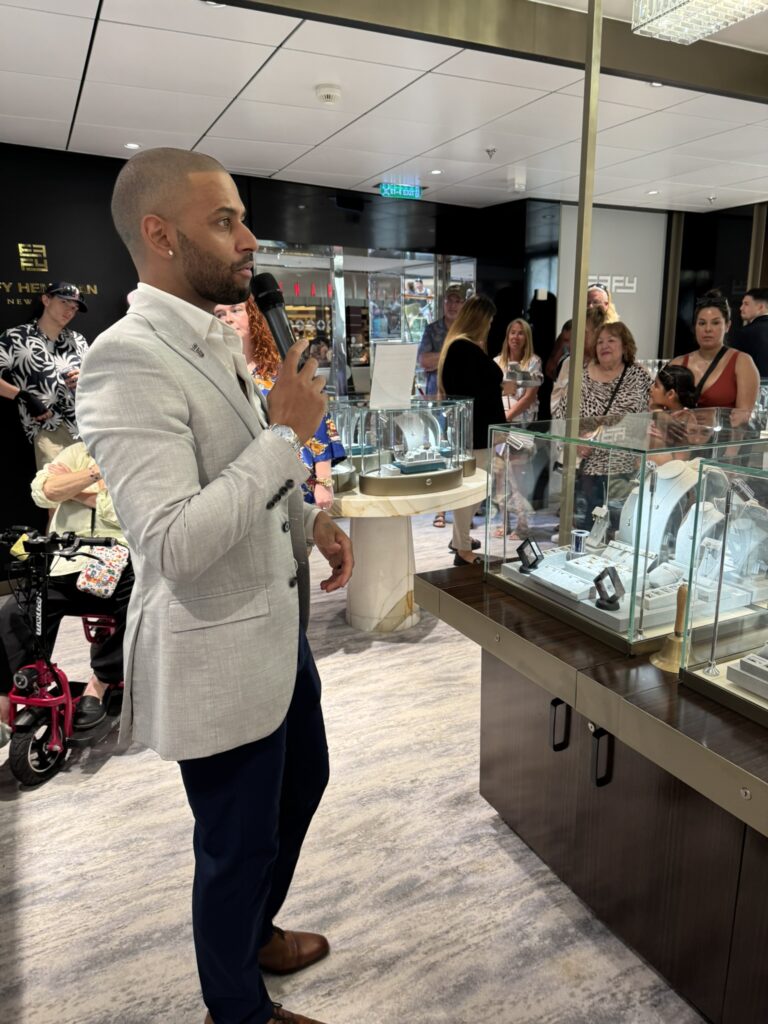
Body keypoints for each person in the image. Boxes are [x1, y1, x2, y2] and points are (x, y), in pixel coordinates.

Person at [76, 147, 354, 1024]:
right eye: (225, 221)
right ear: (159, 236)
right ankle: (235, 1007)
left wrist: (310, 521)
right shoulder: (126, 360)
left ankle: (255, 929)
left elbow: (235, 473)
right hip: (217, 648)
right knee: (234, 843)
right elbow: (174, 543)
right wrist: (287, 440)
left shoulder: (214, 336)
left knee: (301, 786)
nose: (250, 237)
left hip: (278, 633)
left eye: (242, 216)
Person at [0, 442, 132, 742]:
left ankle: (100, 683)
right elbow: (42, 491)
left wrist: (70, 489)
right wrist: (95, 475)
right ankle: (4, 702)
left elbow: (126, 509)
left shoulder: (136, 451)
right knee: (14, 612)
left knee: (140, 606)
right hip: (65, 562)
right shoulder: (77, 452)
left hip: (117, 562)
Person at [214, 299, 345, 510]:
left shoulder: (281, 372)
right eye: (220, 314)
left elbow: (318, 421)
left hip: (297, 481)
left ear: (254, 318)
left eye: (236, 310)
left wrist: (323, 481)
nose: (227, 318)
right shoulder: (217, 373)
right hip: (249, 486)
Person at [554, 321, 651, 526]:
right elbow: (562, 415)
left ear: (625, 346)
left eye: (611, 340)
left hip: (627, 467)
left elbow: (655, 412)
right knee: (589, 523)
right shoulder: (582, 377)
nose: (604, 345)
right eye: (599, 342)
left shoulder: (639, 376)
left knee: (623, 524)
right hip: (588, 468)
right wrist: (575, 441)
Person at [437, 294, 504, 565]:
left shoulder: (458, 347)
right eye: (488, 320)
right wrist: (501, 387)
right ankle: (463, 547)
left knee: (476, 488)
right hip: (476, 433)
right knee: (475, 490)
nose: (489, 326)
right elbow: (474, 391)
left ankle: (460, 539)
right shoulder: (464, 349)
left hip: (475, 431)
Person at [0, 282, 89, 468]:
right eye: (64, 302)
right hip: (49, 428)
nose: (70, 311)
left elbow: (98, 380)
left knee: (98, 492)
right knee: (59, 491)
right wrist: (23, 396)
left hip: (86, 426)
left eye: (74, 307)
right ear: (46, 299)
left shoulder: (78, 340)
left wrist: (85, 379)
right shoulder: (16, 338)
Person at [669, 290, 759, 427]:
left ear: (727, 326)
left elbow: (741, 423)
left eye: (716, 323)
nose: (708, 329)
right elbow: (657, 407)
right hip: (680, 443)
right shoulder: (678, 363)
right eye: (702, 323)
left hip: (721, 444)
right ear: (695, 327)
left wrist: (728, 449)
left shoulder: (742, 362)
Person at [492, 319, 542, 538]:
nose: (516, 337)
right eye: (512, 332)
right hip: (500, 427)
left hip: (520, 426)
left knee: (519, 477)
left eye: (521, 333)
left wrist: (507, 417)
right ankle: (504, 522)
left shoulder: (533, 362)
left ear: (527, 337)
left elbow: (530, 396)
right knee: (500, 476)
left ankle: (523, 523)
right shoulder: (496, 362)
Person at [550, 306, 607, 414]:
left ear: (598, 333)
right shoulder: (568, 363)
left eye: (583, 332)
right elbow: (554, 403)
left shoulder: (610, 365)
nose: (576, 336)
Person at [417, 284, 465, 398]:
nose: (452, 305)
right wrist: (457, 356)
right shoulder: (431, 329)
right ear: (444, 303)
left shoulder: (469, 331)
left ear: (464, 305)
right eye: (449, 301)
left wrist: (438, 362)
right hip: (436, 396)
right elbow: (424, 360)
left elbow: (474, 363)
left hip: (462, 394)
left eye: (457, 301)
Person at [730, 286, 768, 376]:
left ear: (760, 307)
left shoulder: (745, 333)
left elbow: (734, 368)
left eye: (746, 304)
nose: (741, 308)